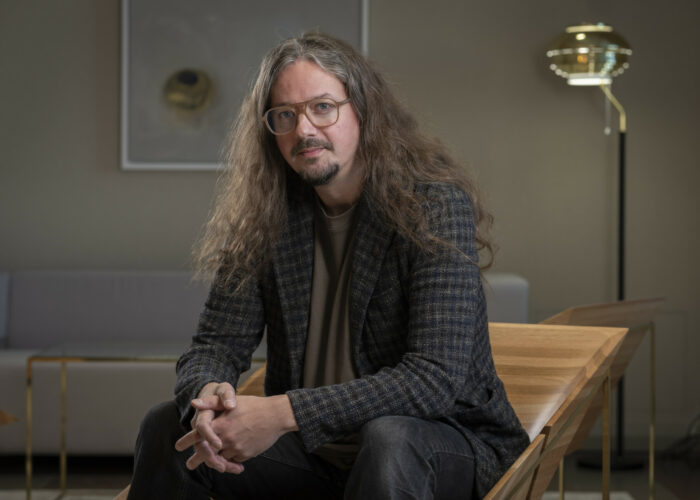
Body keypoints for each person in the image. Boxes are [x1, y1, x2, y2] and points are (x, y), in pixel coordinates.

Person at [128, 32, 529, 500]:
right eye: (285, 115)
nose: (304, 130)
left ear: (362, 109)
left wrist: (280, 413)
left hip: (442, 444)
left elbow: (432, 380)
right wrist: (207, 398)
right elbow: (215, 343)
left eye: (322, 107)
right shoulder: (268, 216)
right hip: (315, 455)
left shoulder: (434, 206)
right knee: (166, 428)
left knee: (389, 438)